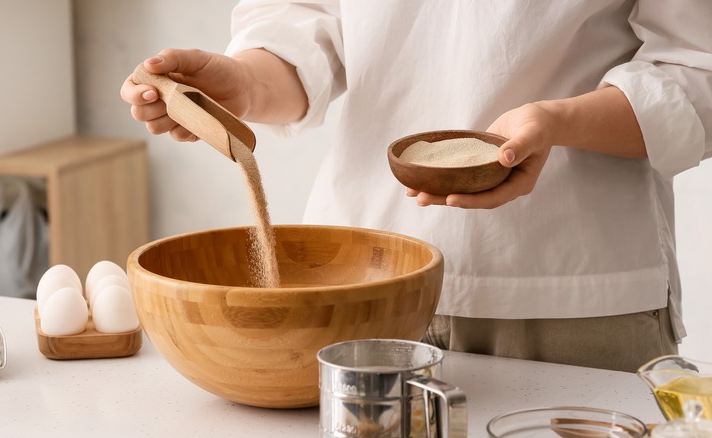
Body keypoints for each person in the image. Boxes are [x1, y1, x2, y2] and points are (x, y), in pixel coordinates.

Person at [121, 0, 712, 372]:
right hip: (362, 285)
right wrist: (244, 83)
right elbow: (307, 18)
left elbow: (696, 68)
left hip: (568, 292)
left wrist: (557, 122)